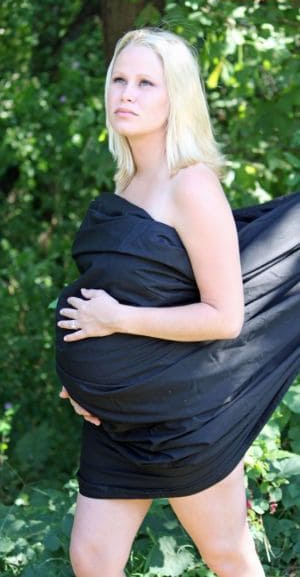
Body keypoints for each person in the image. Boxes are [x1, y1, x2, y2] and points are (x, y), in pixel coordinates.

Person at [55, 28, 300, 577]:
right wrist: (85, 381)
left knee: (227, 557)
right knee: (92, 559)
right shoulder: (127, 184)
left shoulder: (192, 186)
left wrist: (117, 320)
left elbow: (224, 316)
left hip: (179, 423)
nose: (127, 93)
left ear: (176, 98)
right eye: (119, 79)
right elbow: (107, 295)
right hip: (116, 422)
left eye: (146, 83)